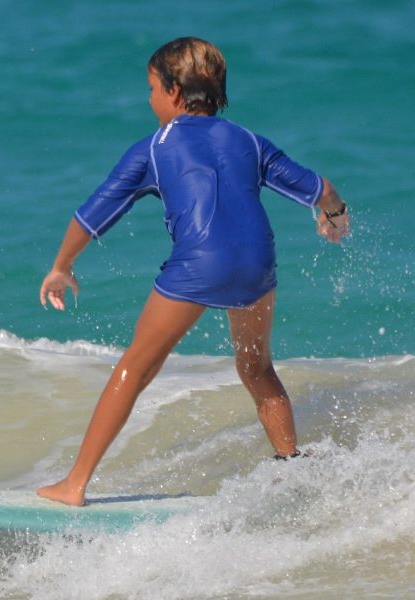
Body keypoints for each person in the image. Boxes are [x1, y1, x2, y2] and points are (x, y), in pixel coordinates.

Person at [37, 37, 349, 506]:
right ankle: (293, 466)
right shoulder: (248, 140)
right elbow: (320, 187)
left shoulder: (154, 148)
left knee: (135, 367)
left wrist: (61, 267)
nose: (149, 100)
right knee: (257, 367)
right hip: (258, 263)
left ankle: (75, 484)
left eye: (151, 89)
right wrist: (335, 215)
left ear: (176, 93)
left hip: (200, 263)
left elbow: (92, 214)